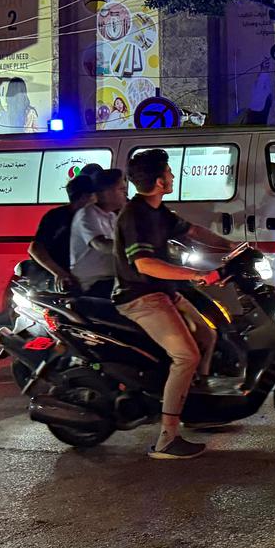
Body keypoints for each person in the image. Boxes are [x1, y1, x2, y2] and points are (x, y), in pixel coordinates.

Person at [113, 148, 233, 459]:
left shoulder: (159, 211)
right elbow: (145, 265)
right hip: (141, 297)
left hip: (164, 292)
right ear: (157, 181)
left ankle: (197, 406)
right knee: (186, 355)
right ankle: (167, 439)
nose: (173, 177)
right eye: (168, 173)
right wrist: (196, 275)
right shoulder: (134, 215)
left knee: (208, 335)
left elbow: (194, 232)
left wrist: (233, 246)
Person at [29, 168, 101, 290]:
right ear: (84, 197)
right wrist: (59, 273)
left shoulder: (97, 217)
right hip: (56, 279)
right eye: (96, 195)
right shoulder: (57, 217)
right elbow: (35, 248)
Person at [70, 167, 128, 297]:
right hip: (94, 283)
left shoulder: (112, 217)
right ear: (105, 193)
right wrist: (131, 248)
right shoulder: (87, 214)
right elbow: (100, 244)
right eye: (121, 190)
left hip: (114, 279)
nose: (125, 193)